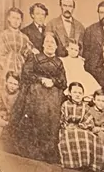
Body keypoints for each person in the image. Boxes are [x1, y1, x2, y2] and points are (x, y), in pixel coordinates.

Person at [11, 32, 66, 163]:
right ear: (42, 44)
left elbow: (63, 82)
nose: (49, 45)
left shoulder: (59, 63)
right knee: (37, 103)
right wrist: (41, 79)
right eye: (47, 42)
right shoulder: (35, 58)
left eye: (52, 42)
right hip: (35, 92)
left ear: (56, 46)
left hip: (52, 95)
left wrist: (53, 81)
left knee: (52, 108)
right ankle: (31, 150)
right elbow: (26, 74)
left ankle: (47, 151)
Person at [58, 82, 104, 172]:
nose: (77, 95)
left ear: (83, 94)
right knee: (71, 136)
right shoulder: (65, 104)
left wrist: (80, 126)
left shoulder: (85, 107)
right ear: (70, 93)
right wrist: (66, 126)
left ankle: (87, 163)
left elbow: (89, 121)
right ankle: (73, 163)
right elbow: (62, 118)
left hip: (82, 128)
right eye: (75, 92)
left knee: (90, 137)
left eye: (80, 93)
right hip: (67, 128)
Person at [0, 7, 34, 79]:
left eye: (18, 19)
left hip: (21, 67)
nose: (15, 21)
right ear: (8, 19)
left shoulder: (24, 38)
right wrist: (6, 66)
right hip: (6, 67)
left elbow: (29, 54)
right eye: (13, 18)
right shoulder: (3, 35)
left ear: (21, 21)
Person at [0, 72, 21, 151]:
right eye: (10, 83)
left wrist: (9, 122)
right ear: (6, 82)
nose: (12, 86)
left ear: (19, 85)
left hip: (13, 122)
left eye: (15, 84)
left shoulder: (20, 96)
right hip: (2, 119)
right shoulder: (1, 93)